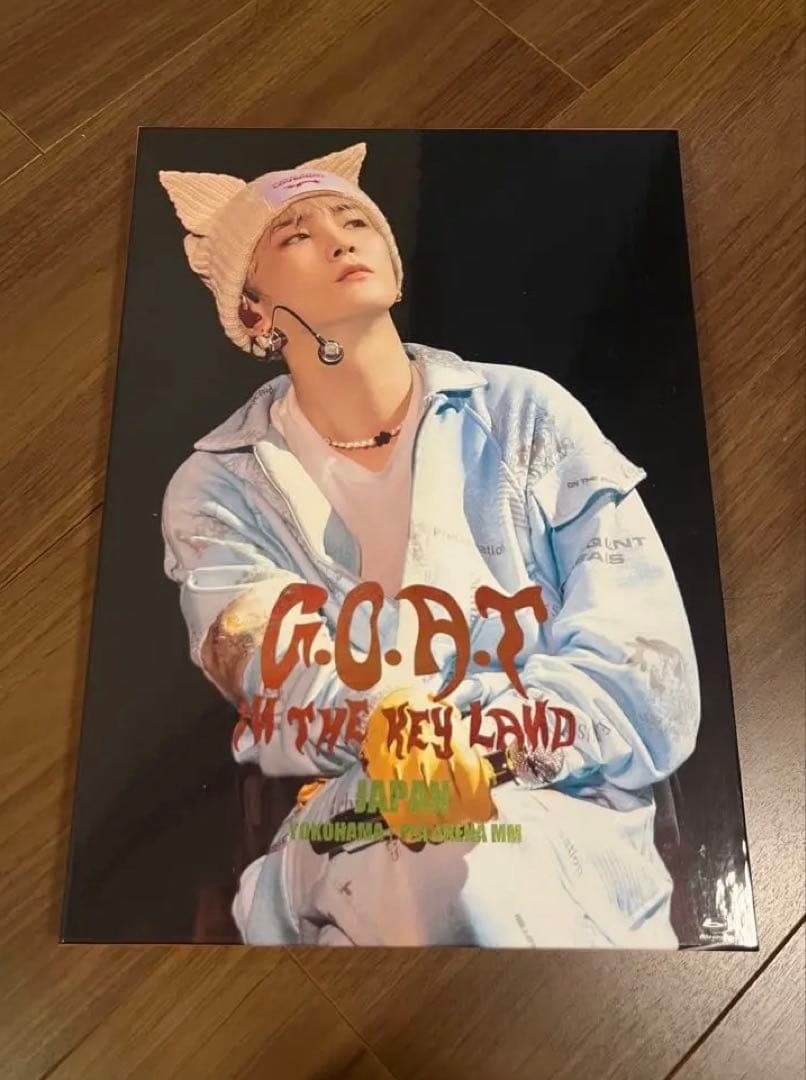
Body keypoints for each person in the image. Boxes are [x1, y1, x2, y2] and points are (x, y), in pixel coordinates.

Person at [159, 141, 701, 948]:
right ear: (252, 312)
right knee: (405, 887)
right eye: (296, 235)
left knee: (465, 881)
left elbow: (644, 665)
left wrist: (475, 741)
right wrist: (390, 721)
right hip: (350, 827)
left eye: (355, 222)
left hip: (558, 820)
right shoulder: (217, 488)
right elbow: (269, 660)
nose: (339, 239)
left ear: (394, 264)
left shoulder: (525, 414)